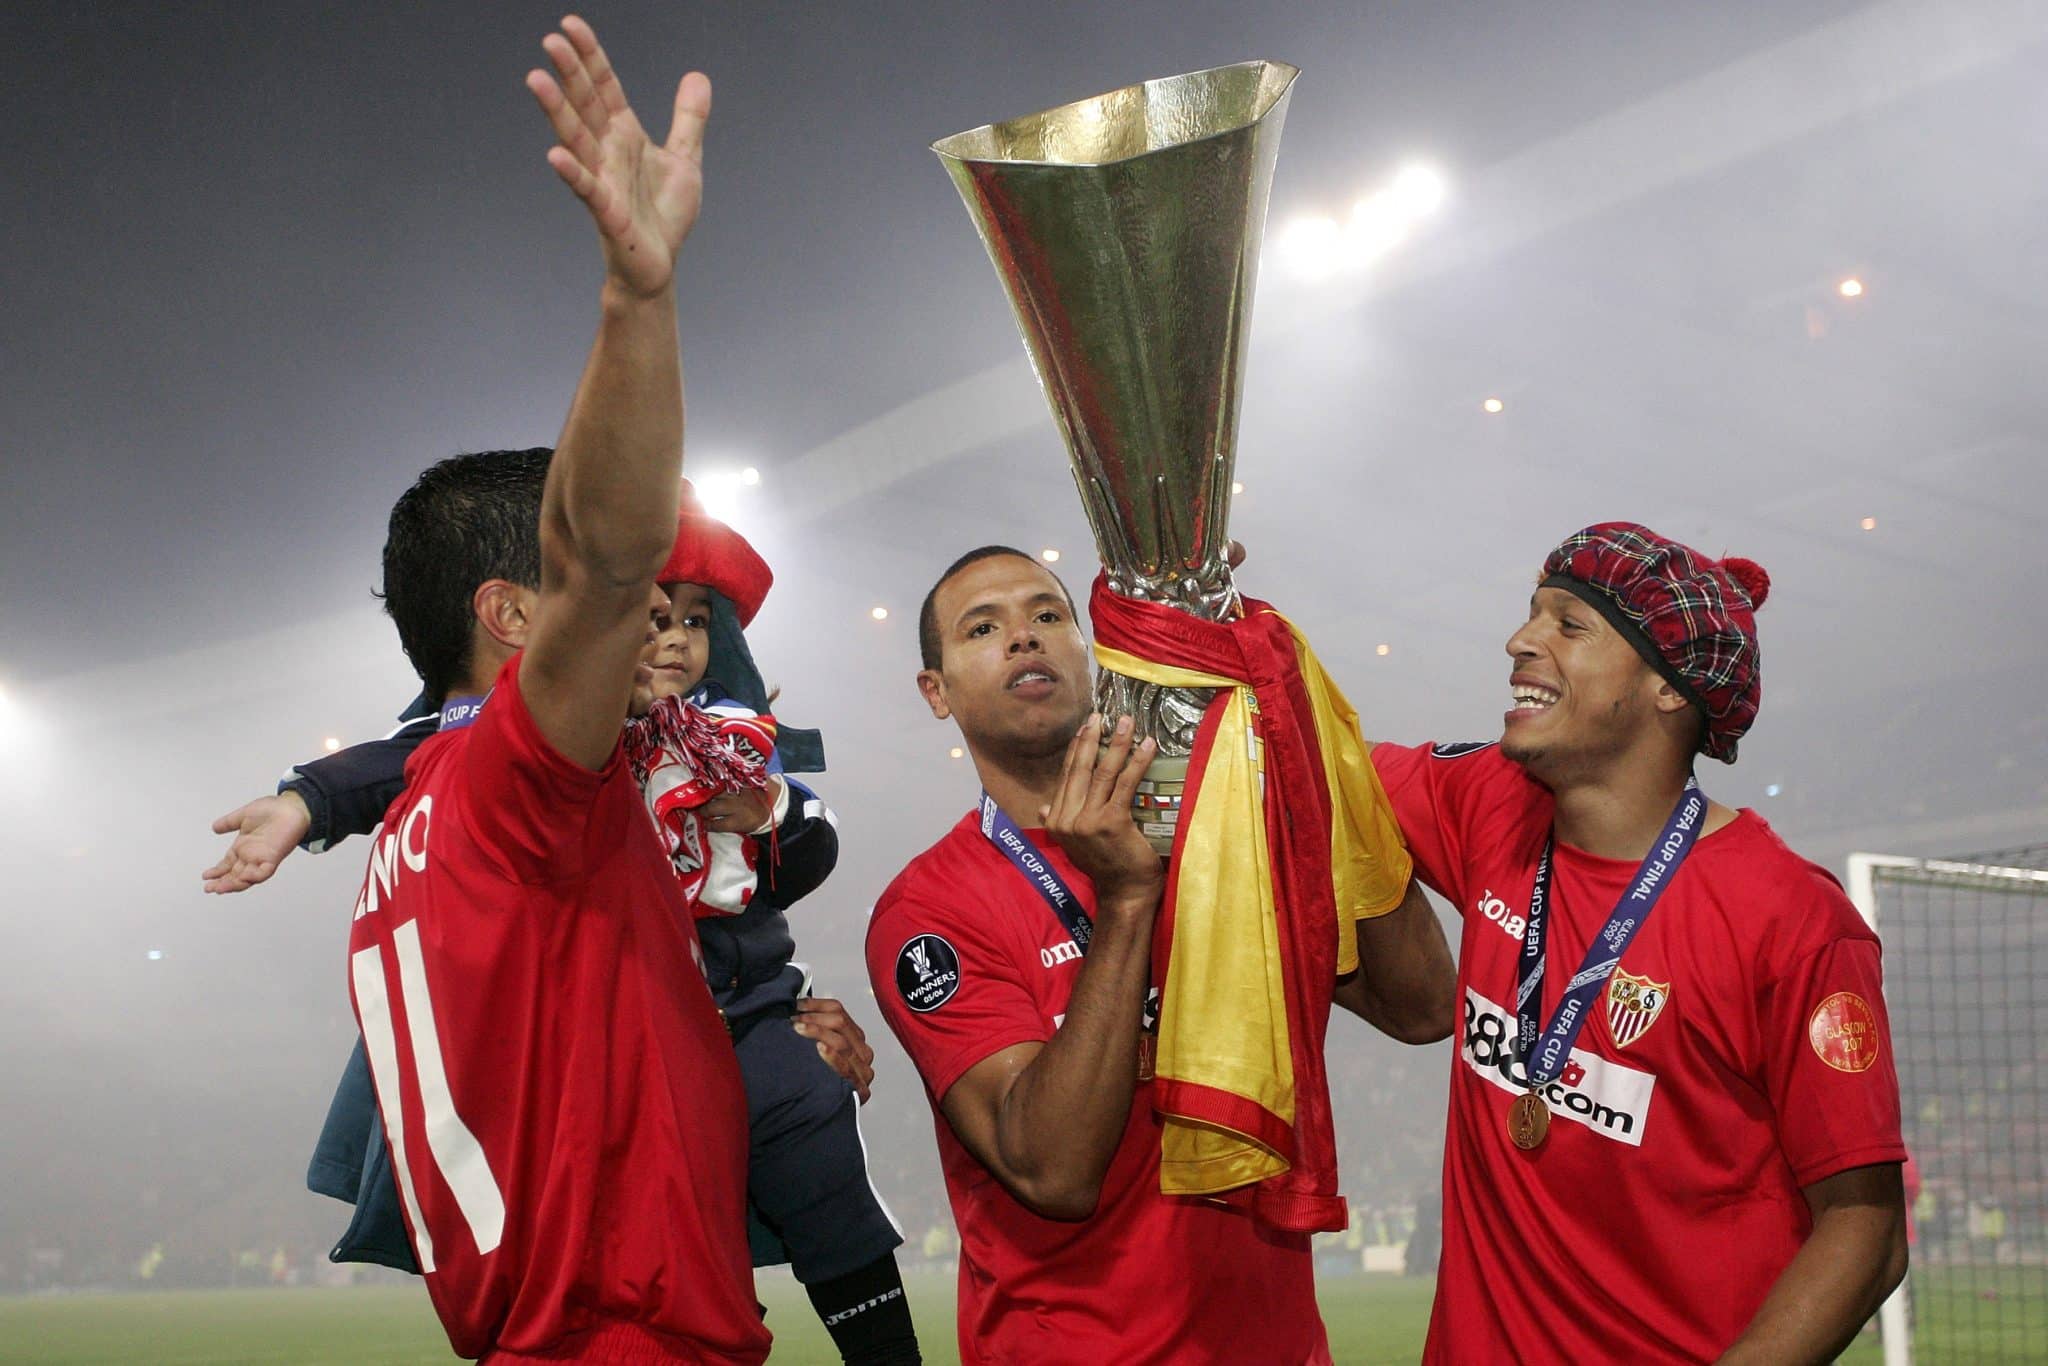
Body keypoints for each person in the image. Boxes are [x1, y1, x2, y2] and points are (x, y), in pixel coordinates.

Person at [209, 492, 920, 1364]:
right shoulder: (534, 745)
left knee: (810, 1133)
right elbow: (406, 751)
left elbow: (806, 853)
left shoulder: (728, 741)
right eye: (647, 607)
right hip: (610, 1074)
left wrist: (772, 813)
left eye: (696, 619)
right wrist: (303, 802)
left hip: (740, 1009)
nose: (668, 631)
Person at [320, 19, 767, 1360]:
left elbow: (571, 1028)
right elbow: (613, 546)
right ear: (514, 617)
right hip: (625, 1329)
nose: (653, 622)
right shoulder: (517, 786)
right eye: (607, 605)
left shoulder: (410, 839)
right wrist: (640, 300)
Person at [863, 545, 1454, 1365]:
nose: (1025, 640)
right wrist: (1129, 900)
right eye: (983, 628)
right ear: (938, 690)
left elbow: (1421, 1007)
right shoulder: (930, 908)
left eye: (1047, 616)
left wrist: (1306, 777)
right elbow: (1052, 1173)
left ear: (1093, 650)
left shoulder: (1216, 830)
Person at [1368, 521, 1908, 1364]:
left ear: (1667, 686)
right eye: (1531, 614)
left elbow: (1866, 1228)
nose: (1520, 641)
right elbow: (1317, 763)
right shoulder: (1492, 800)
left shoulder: (1791, 920)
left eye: (1568, 625)